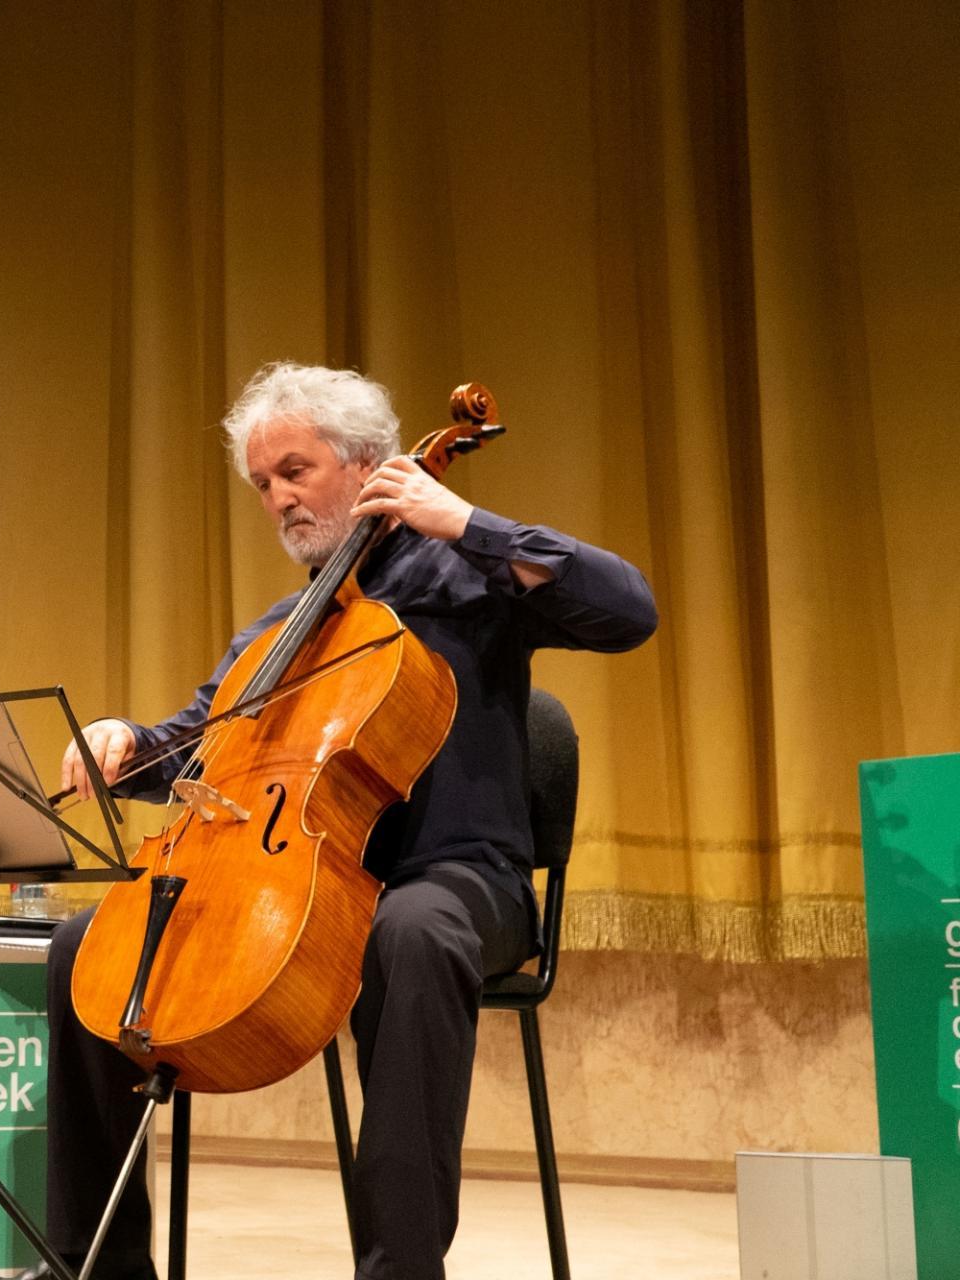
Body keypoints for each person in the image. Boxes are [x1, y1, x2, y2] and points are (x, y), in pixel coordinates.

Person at [37, 363, 656, 1280]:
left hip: (454, 881)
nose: (279, 498)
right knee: (85, 948)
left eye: (295, 469)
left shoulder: (470, 576)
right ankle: (94, 1264)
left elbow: (627, 610)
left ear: (368, 464)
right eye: (262, 484)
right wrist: (126, 742)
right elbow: (199, 745)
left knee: (407, 932)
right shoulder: (279, 631)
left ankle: (399, 1271)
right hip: (296, 884)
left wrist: (469, 524)